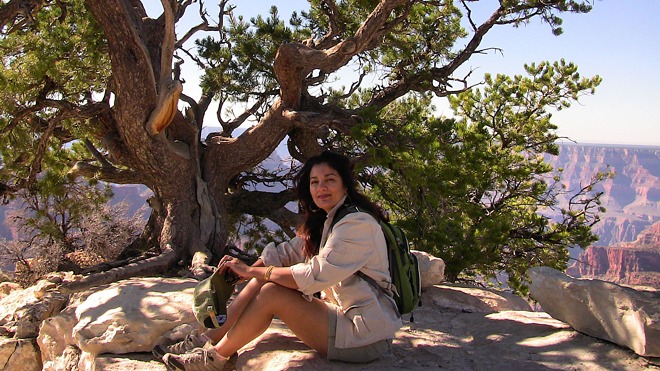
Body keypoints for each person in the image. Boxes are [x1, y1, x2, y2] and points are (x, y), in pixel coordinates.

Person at [155, 151, 402, 370]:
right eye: (314, 182)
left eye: (330, 180)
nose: (321, 187)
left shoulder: (356, 224)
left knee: (271, 291)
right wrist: (247, 270)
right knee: (263, 280)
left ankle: (215, 359)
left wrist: (254, 272)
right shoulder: (332, 219)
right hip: (347, 317)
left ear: (345, 186)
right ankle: (209, 336)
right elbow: (287, 253)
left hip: (365, 336)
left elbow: (315, 274)